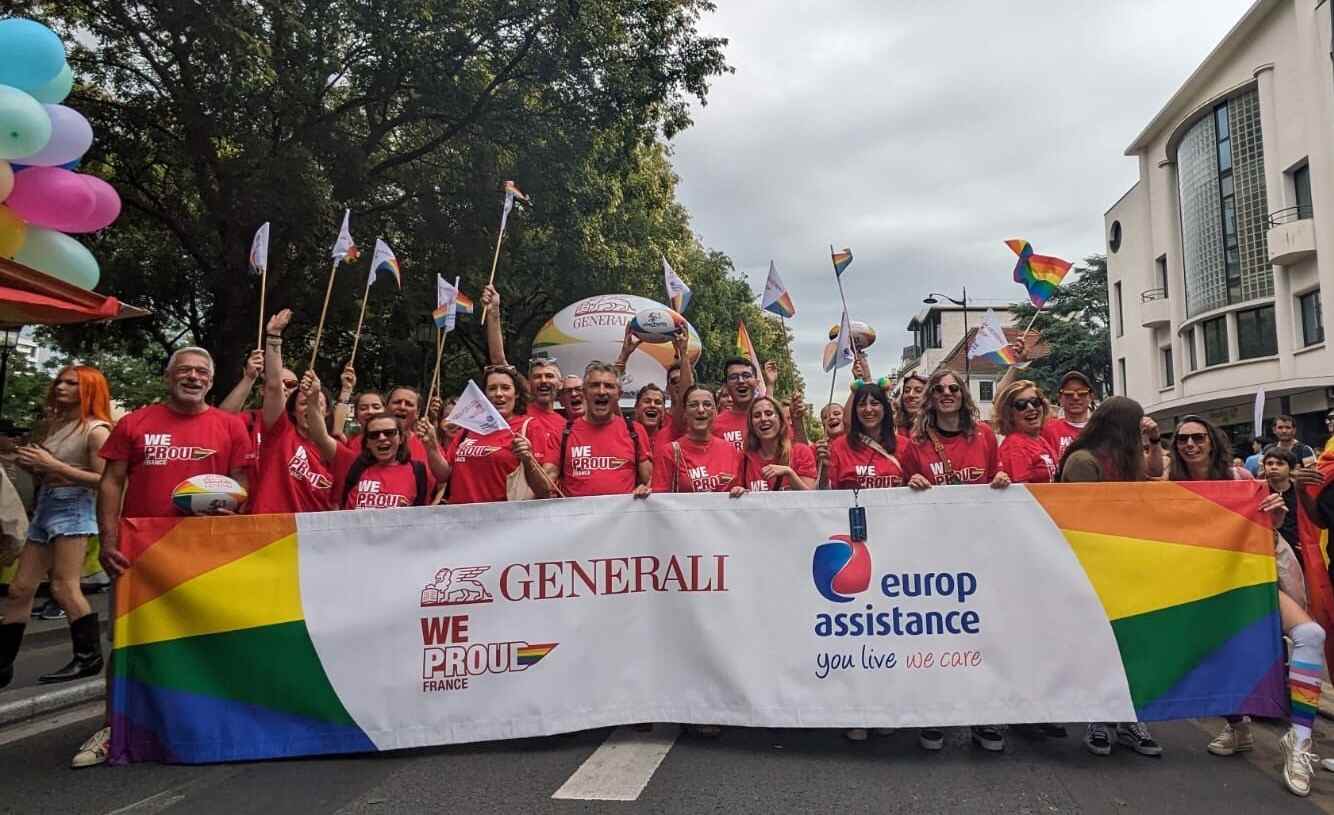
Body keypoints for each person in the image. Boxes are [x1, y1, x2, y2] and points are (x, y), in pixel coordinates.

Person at [74, 347, 254, 769]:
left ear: (211, 381)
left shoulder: (231, 426)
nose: (193, 377)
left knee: (207, 638)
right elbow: (111, 483)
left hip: (203, 551)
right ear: (168, 376)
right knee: (129, 641)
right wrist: (109, 539)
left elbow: (240, 483)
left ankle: (208, 723)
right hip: (141, 554)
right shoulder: (135, 423)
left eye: (202, 372)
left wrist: (233, 511)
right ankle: (113, 728)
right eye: (184, 370)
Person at [1169, 419, 1326, 797]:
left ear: (1212, 442)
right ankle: (1238, 727)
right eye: (1182, 439)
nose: (1190, 444)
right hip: (1196, 589)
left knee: (1310, 634)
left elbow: (1264, 540)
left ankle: (1300, 741)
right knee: (1213, 652)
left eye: (1198, 437)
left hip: (1248, 580)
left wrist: (1274, 521)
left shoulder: (1242, 480)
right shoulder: (1166, 488)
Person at [1057, 396, 1162, 759]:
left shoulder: (1125, 461)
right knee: (1099, 646)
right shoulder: (1083, 462)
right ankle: (1098, 717)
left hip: (1125, 565)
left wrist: (1155, 442)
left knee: (1130, 646)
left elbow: (1153, 477)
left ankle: (1129, 718)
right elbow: (1083, 520)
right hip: (1093, 567)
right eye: (1137, 427)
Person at [0, 366, 113, 691]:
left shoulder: (97, 430)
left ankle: (88, 658)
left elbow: (107, 481)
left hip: (73, 509)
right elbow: (51, 471)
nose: (61, 386)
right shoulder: (58, 425)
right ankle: (2, 665)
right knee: (20, 588)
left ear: (89, 389)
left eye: (71, 383)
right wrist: (35, 466)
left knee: (64, 587)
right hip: (47, 506)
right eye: (60, 381)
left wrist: (54, 465)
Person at [305, 371, 444, 509]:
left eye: (389, 433)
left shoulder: (417, 470)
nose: (382, 438)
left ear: (401, 438)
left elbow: (444, 479)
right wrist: (312, 399)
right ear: (366, 442)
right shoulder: (352, 462)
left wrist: (432, 447)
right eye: (374, 435)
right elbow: (321, 437)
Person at [246, 311, 339, 514]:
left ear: (327, 412)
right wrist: (274, 337)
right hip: (269, 528)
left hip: (312, 532)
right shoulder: (281, 433)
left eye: (317, 404)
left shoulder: (335, 452)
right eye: (304, 403)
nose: (310, 408)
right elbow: (273, 386)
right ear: (293, 411)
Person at [439, 365, 558, 503]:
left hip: (502, 514)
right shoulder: (469, 427)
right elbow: (443, 475)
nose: (499, 394)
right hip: (460, 514)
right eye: (492, 388)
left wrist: (527, 459)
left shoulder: (529, 426)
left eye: (505, 388)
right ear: (484, 395)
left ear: (516, 393)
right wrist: (430, 445)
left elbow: (544, 491)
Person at [902, 369, 1009, 491]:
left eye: (953, 388)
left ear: (963, 395)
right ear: (930, 398)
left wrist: (1000, 478)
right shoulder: (917, 442)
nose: (947, 392)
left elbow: (994, 475)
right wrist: (913, 481)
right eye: (939, 389)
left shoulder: (984, 433)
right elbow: (904, 490)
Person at [558, 362, 651, 498]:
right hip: (577, 512)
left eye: (609, 386)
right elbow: (547, 482)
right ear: (584, 392)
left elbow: (649, 480)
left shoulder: (635, 431)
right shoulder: (563, 432)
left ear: (619, 394)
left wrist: (645, 488)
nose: (601, 391)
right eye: (595, 385)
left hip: (623, 512)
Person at [652, 385, 738, 493]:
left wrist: (741, 491)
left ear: (716, 410)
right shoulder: (668, 453)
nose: (701, 410)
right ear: (685, 412)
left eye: (707, 404)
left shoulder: (730, 450)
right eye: (693, 405)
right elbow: (659, 498)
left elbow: (742, 490)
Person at [819, 383, 904, 491]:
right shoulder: (839, 446)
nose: (868, 409)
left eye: (874, 403)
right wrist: (824, 470)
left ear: (885, 408)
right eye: (862, 404)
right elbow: (826, 492)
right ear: (855, 411)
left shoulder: (905, 445)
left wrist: (918, 481)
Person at [732, 395, 816, 493]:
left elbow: (810, 498)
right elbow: (740, 490)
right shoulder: (745, 459)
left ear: (780, 419)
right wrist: (739, 491)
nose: (763, 419)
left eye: (769, 413)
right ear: (751, 425)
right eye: (757, 416)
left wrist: (789, 473)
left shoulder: (801, 452)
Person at [994, 380, 1058, 484]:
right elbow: (1022, 490)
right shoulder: (1015, 445)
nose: (1031, 408)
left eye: (1035, 402)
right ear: (1009, 414)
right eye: (1021, 405)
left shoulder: (1040, 440)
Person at [1041, 371, 1095, 457]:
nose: (1075, 397)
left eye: (1082, 393)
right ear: (1060, 398)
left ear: (1091, 397)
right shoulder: (1048, 430)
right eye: (1068, 393)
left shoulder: (1101, 430)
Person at [713, 357, 761, 451]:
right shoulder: (715, 426)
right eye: (733, 377)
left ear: (756, 382)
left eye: (746, 376)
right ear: (726, 385)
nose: (741, 381)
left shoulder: (771, 421)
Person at [895, 373, 927, 440]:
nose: (911, 395)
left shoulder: (938, 427)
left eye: (918, 391)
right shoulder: (894, 427)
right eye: (907, 391)